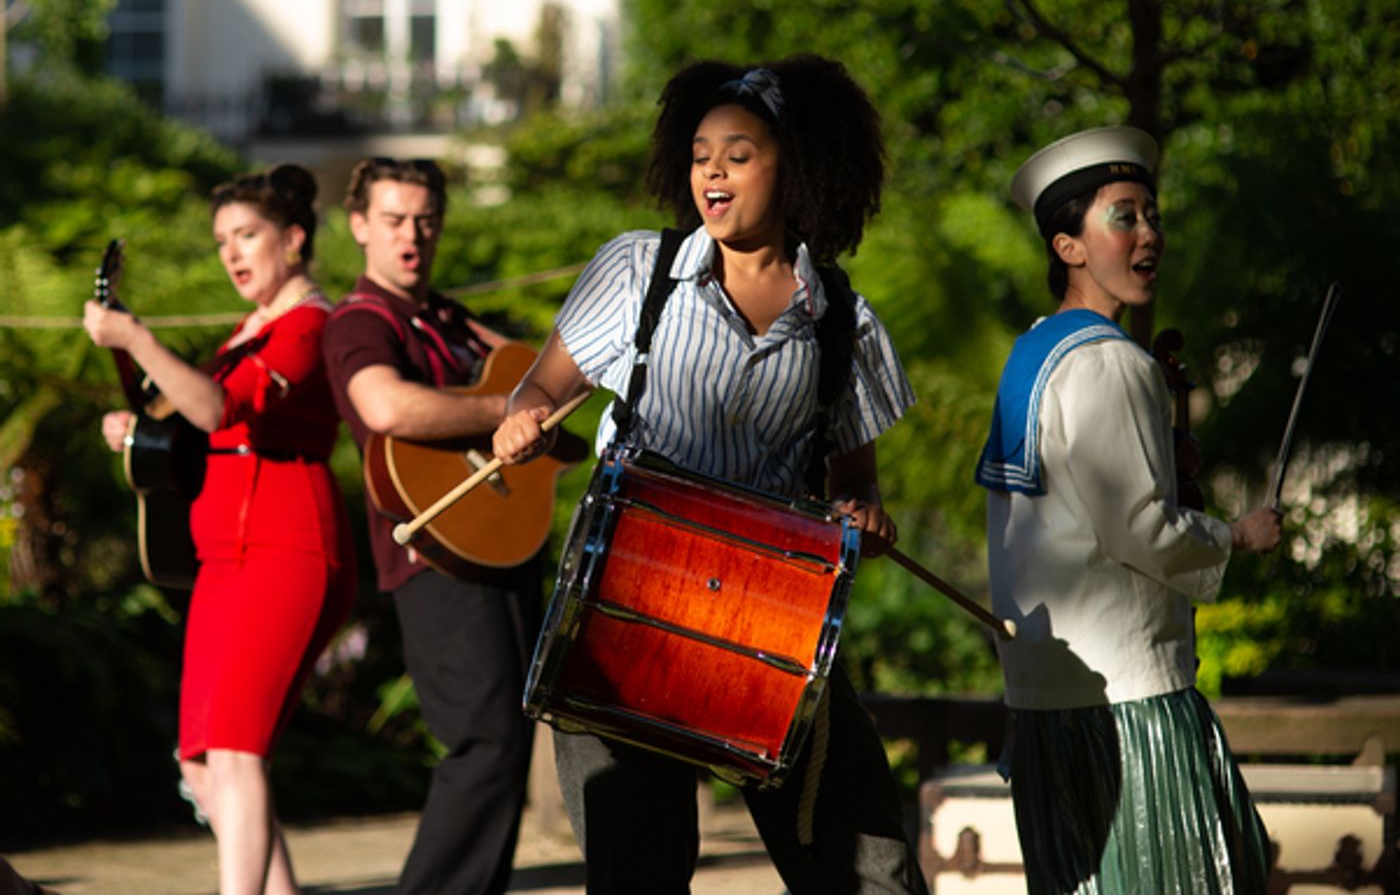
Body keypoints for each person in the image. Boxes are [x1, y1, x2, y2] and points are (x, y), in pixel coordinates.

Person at [492, 55, 930, 895]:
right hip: (629, 614)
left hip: (773, 621)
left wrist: (865, 515)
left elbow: (857, 485)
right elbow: (544, 385)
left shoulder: (844, 322)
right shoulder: (635, 272)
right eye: (700, 155)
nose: (713, 172)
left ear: (796, 165)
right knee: (637, 875)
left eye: (738, 152)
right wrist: (525, 415)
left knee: (871, 871)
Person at [974, 126, 1284, 892]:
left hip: (1048, 697)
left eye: (1153, 214)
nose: (1150, 234)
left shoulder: (1032, 352)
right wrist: (1236, 536)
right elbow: (1140, 528)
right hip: (1128, 706)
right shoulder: (1115, 362)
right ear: (1069, 245)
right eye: (1124, 216)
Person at [83, 164, 357, 895]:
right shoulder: (252, 329)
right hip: (224, 557)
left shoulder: (308, 324)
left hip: (286, 547)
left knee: (236, 753)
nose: (232, 253)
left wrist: (136, 337)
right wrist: (139, 425)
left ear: (294, 239)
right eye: (222, 241)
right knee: (202, 764)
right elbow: (192, 417)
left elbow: (215, 410)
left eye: (247, 235)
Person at [321, 157, 539, 895]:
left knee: (507, 749)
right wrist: (500, 411)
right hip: (435, 559)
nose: (412, 235)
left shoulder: (446, 316)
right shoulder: (358, 322)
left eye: (425, 219)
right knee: (486, 744)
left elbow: (535, 380)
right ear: (358, 227)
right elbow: (385, 406)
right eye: (393, 220)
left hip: (499, 545)